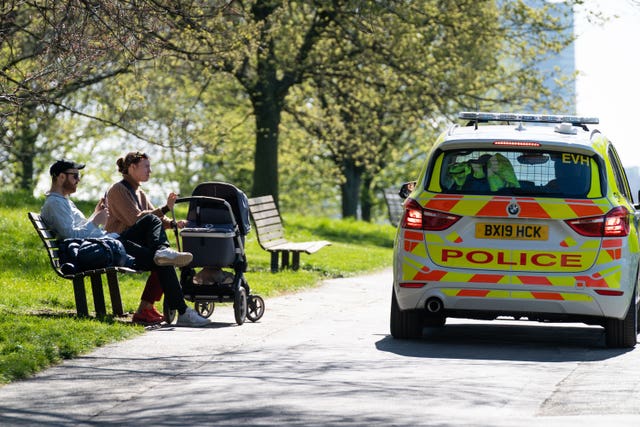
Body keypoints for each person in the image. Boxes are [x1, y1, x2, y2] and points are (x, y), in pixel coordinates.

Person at [40, 158, 211, 327]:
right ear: (61, 177)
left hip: (109, 243)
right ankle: (182, 311)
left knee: (154, 229)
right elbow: (70, 236)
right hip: (105, 247)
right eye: (75, 176)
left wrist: (94, 215)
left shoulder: (65, 202)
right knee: (161, 258)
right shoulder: (55, 203)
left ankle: (164, 259)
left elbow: (79, 230)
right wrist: (95, 221)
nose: (78, 180)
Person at [104, 151, 187, 324]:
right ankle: (182, 311)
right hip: (119, 244)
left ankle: (145, 309)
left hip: (134, 243)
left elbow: (155, 220)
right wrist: (165, 208)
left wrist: (173, 223)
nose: (150, 171)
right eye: (146, 167)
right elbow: (137, 219)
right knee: (162, 255)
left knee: (163, 259)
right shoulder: (118, 190)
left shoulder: (140, 193)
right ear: (132, 167)